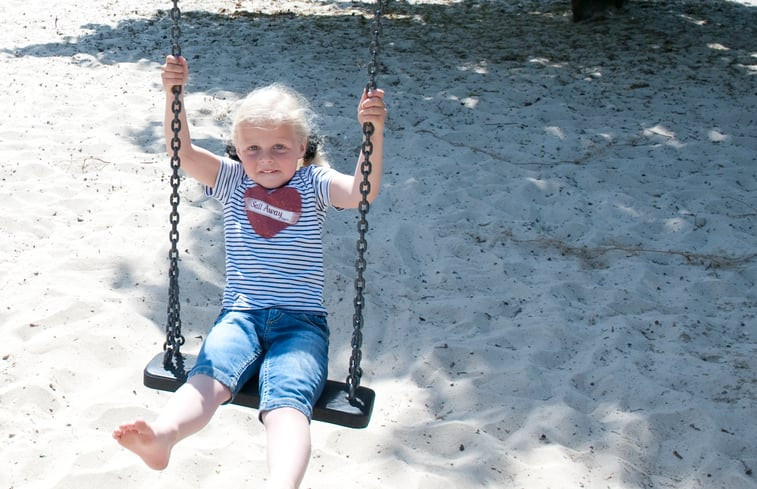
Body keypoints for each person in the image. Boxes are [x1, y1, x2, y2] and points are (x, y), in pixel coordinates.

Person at [112, 55, 386, 489]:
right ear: (238, 151)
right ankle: (163, 438)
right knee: (208, 377)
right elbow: (180, 149)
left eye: (279, 147)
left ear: (302, 148)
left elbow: (359, 191)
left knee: (288, 404)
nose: (265, 159)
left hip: (301, 324)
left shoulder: (313, 183)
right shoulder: (232, 181)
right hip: (240, 316)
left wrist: (373, 132)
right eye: (253, 148)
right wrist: (174, 94)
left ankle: (282, 484)